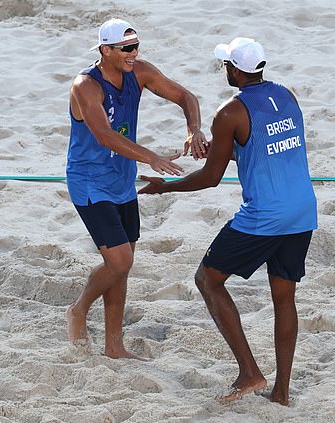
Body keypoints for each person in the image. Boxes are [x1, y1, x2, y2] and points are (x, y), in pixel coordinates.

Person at [138, 37, 317, 405]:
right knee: (284, 299)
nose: (225, 71)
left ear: (235, 69)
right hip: (302, 211)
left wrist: (165, 188)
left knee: (208, 278)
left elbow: (209, 178)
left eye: (226, 66)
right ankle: (281, 392)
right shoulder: (287, 96)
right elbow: (264, 150)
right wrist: (222, 148)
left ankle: (250, 372)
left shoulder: (230, 112)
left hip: (265, 216)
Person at [65, 18, 208, 360]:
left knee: (123, 264)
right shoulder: (86, 86)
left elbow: (185, 96)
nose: (134, 54)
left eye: (136, 46)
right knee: (119, 261)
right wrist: (152, 158)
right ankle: (78, 309)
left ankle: (114, 346)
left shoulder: (139, 72)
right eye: (126, 49)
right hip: (90, 182)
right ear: (105, 50)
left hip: (121, 179)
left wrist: (194, 129)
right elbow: (104, 135)